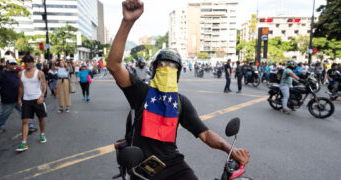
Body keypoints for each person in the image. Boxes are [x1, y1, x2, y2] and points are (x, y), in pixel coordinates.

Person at [107, 1, 249, 179]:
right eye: (163, 64)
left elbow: (204, 133)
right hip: (143, 167)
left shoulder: (181, 102)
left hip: (173, 163)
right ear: (155, 69)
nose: (168, 68)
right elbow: (113, 65)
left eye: (173, 66)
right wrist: (127, 22)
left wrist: (230, 148)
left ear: (178, 73)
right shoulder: (141, 93)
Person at [0, 59, 37, 133]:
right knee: (4, 114)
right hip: (8, 99)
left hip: (19, 98)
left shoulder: (18, 72)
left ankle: (29, 126)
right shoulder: (2, 73)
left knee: (25, 112)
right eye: (11, 64)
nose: (13, 65)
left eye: (14, 64)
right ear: (7, 64)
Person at [16, 55, 47, 152]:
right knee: (25, 121)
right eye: (25, 62)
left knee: (41, 118)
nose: (27, 64)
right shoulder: (20, 74)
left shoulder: (39, 73)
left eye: (29, 62)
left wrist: (41, 96)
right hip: (26, 100)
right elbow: (21, 87)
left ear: (33, 63)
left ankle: (42, 134)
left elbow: (44, 85)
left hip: (37, 99)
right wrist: (19, 99)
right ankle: (24, 143)